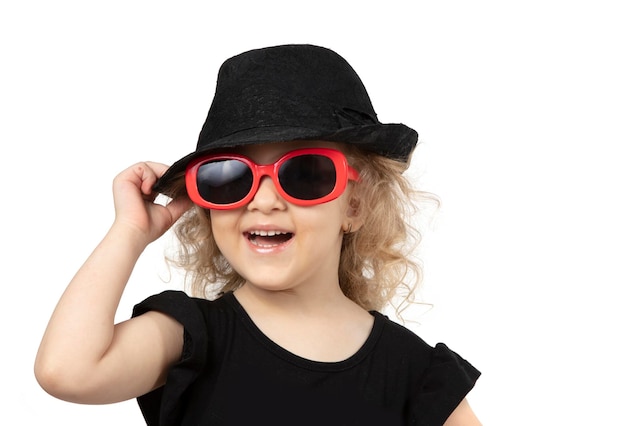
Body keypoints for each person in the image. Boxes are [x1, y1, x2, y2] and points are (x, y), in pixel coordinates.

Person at [35, 44, 481, 425]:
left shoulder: (415, 372)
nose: (263, 201)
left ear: (355, 206)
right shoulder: (191, 336)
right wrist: (129, 232)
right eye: (228, 178)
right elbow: (66, 371)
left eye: (305, 173)